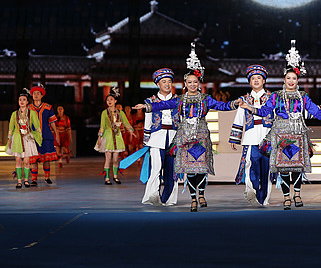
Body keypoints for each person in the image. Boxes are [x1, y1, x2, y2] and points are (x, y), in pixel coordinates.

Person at [135, 44, 240, 211]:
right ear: (185, 83)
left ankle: (173, 198)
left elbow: (222, 106)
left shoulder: (204, 99)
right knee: (160, 168)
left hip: (193, 136)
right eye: (189, 82)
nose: (192, 84)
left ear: (198, 83)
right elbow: (161, 106)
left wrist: (235, 103)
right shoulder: (174, 100)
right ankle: (153, 196)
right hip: (166, 137)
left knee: (183, 169)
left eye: (195, 82)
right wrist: (147, 108)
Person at [241, 40, 321, 210]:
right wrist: (250, 108)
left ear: (297, 80)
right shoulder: (276, 96)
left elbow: (316, 112)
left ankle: (298, 194)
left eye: (294, 78)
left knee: (297, 168)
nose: (291, 81)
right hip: (280, 135)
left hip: (298, 134)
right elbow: (264, 112)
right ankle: (286, 197)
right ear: (284, 80)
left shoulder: (303, 96)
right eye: (288, 78)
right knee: (284, 169)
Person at [229, 64, 273, 206]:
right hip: (250, 137)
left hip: (267, 137)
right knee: (249, 164)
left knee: (267, 170)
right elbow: (239, 119)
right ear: (249, 81)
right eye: (253, 78)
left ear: (264, 81)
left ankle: (264, 198)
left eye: (259, 78)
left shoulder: (272, 98)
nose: (256, 81)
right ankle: (251, 190)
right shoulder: (244, 99)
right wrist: (235, 138)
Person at [141, 68, 180, 206]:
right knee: (156, 167)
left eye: (169, 82)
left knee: (172, 170)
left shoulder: (178, 100)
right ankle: (152, 195)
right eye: (164, 82)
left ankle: (168, 199)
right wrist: (146, 139)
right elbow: (148, 121)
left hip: (174, 137)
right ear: (158, 84)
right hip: (157, 137)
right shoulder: (150, 101)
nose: (167, 84)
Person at [95, 87, 135, 185]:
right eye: (108, 100)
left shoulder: (120, 113)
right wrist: (99, 137)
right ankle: (107, 178)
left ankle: (116, 176)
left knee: (116, 159)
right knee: (108, 158)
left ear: (115, 101)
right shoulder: (104, 113)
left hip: (117, 136)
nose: (109, 101)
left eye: (111, 100)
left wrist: (131, 131)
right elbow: (102, 126)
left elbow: (126, 123)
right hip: (108, 136)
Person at [6, 89, 42, 188]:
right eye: (20, 100)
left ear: (27, 102)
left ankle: (26, 180)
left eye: (24, 99)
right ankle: (19, 181)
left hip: (27, 138)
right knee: (18, 160)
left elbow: (38, 127)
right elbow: (10, 128)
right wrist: (9, 140)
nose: (21, 101)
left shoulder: (32, 114)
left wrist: (35, 135)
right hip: (17, 138)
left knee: (26, 161)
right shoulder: (14, 114)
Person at [28, 85, 60, 185]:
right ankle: (34, 179)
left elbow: (52, 122)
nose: (36, 95)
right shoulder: (28, 108)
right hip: (32, 137)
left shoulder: (47, 107)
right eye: (34, 93)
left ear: (42, 95)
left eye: (38, 93)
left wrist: (57, 134)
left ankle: (47, 177)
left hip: (46, 135)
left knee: (46, 158)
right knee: (34, 159)